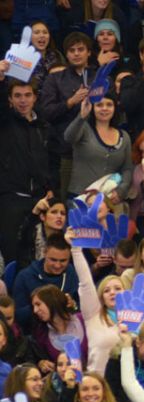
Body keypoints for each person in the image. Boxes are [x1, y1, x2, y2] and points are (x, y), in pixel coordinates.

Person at [0, 78, 54, 263]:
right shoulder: (4, 123)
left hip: (40, 199)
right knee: (13, 255)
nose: (23, 100)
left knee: (39, 255)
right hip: (11, 200)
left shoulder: (44, 126)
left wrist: (51, 188)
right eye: (17, 96)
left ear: (35, 98)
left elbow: (53, 161)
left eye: (27, 95)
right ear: (9, 99)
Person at [37, 32, 96, 196]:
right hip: (65, 151)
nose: (76, 54)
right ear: (66, 54)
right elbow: (46, 112)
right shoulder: (55, 79)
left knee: (98, 201)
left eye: (80, 49)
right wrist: (70, 101)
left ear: (89, 52)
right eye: (71, 50)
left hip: (96, 149)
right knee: (67, 199)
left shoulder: (100, 77)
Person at [67, 229, 122, 374]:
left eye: (118, 288)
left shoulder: (135, 319)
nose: (112, 292)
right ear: (101, 297)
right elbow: (85, 282)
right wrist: (76, 250)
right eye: (107, 290)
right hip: (96, 385)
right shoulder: (94, 314)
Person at [12, 234, 79, 330]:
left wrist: (73, 305)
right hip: (36, 333)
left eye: (63, 261)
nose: (57, 265)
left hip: (68, 329)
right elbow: (18, 317)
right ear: (44, 253)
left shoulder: (71, 272)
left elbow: (80, 307)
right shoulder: (25, 277)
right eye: (53, 260)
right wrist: (38, 306)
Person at [29, 285, 88, 374]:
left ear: (51, 302)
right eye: (33, 306)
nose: (35, 310)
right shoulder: (41, 333)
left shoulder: (83, 320)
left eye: (38, 304)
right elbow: (41, 359)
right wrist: (41, 363)